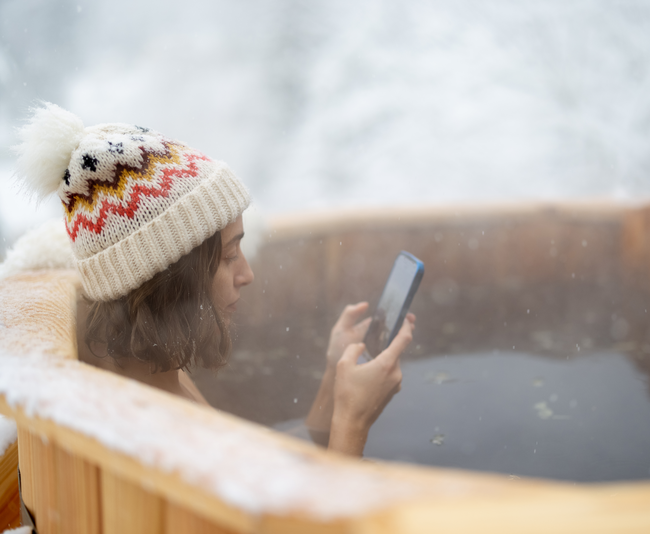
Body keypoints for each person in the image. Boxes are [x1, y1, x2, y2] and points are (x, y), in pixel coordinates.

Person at [13, 103, 414, 457]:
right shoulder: (158, 428)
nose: (247, 274)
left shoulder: (154, 368)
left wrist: (333, 383)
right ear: (171, 279)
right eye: (228, 256)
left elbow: (266, 475)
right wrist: (353, 421)